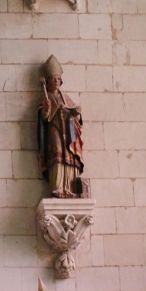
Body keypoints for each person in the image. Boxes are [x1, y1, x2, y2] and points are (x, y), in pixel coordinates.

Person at [37, 54, 85, 197]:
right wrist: (46, 109)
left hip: (68, 133)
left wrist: (77, 113)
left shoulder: (66, 98)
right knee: (57, 155)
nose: (56, 81)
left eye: (58, 79)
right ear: (48, 81)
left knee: (69, 156)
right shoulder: (46, 99)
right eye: (53, 79)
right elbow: (43, 119)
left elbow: (76, 118)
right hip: (55, 131)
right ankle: (58, 186)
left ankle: (69, 187)